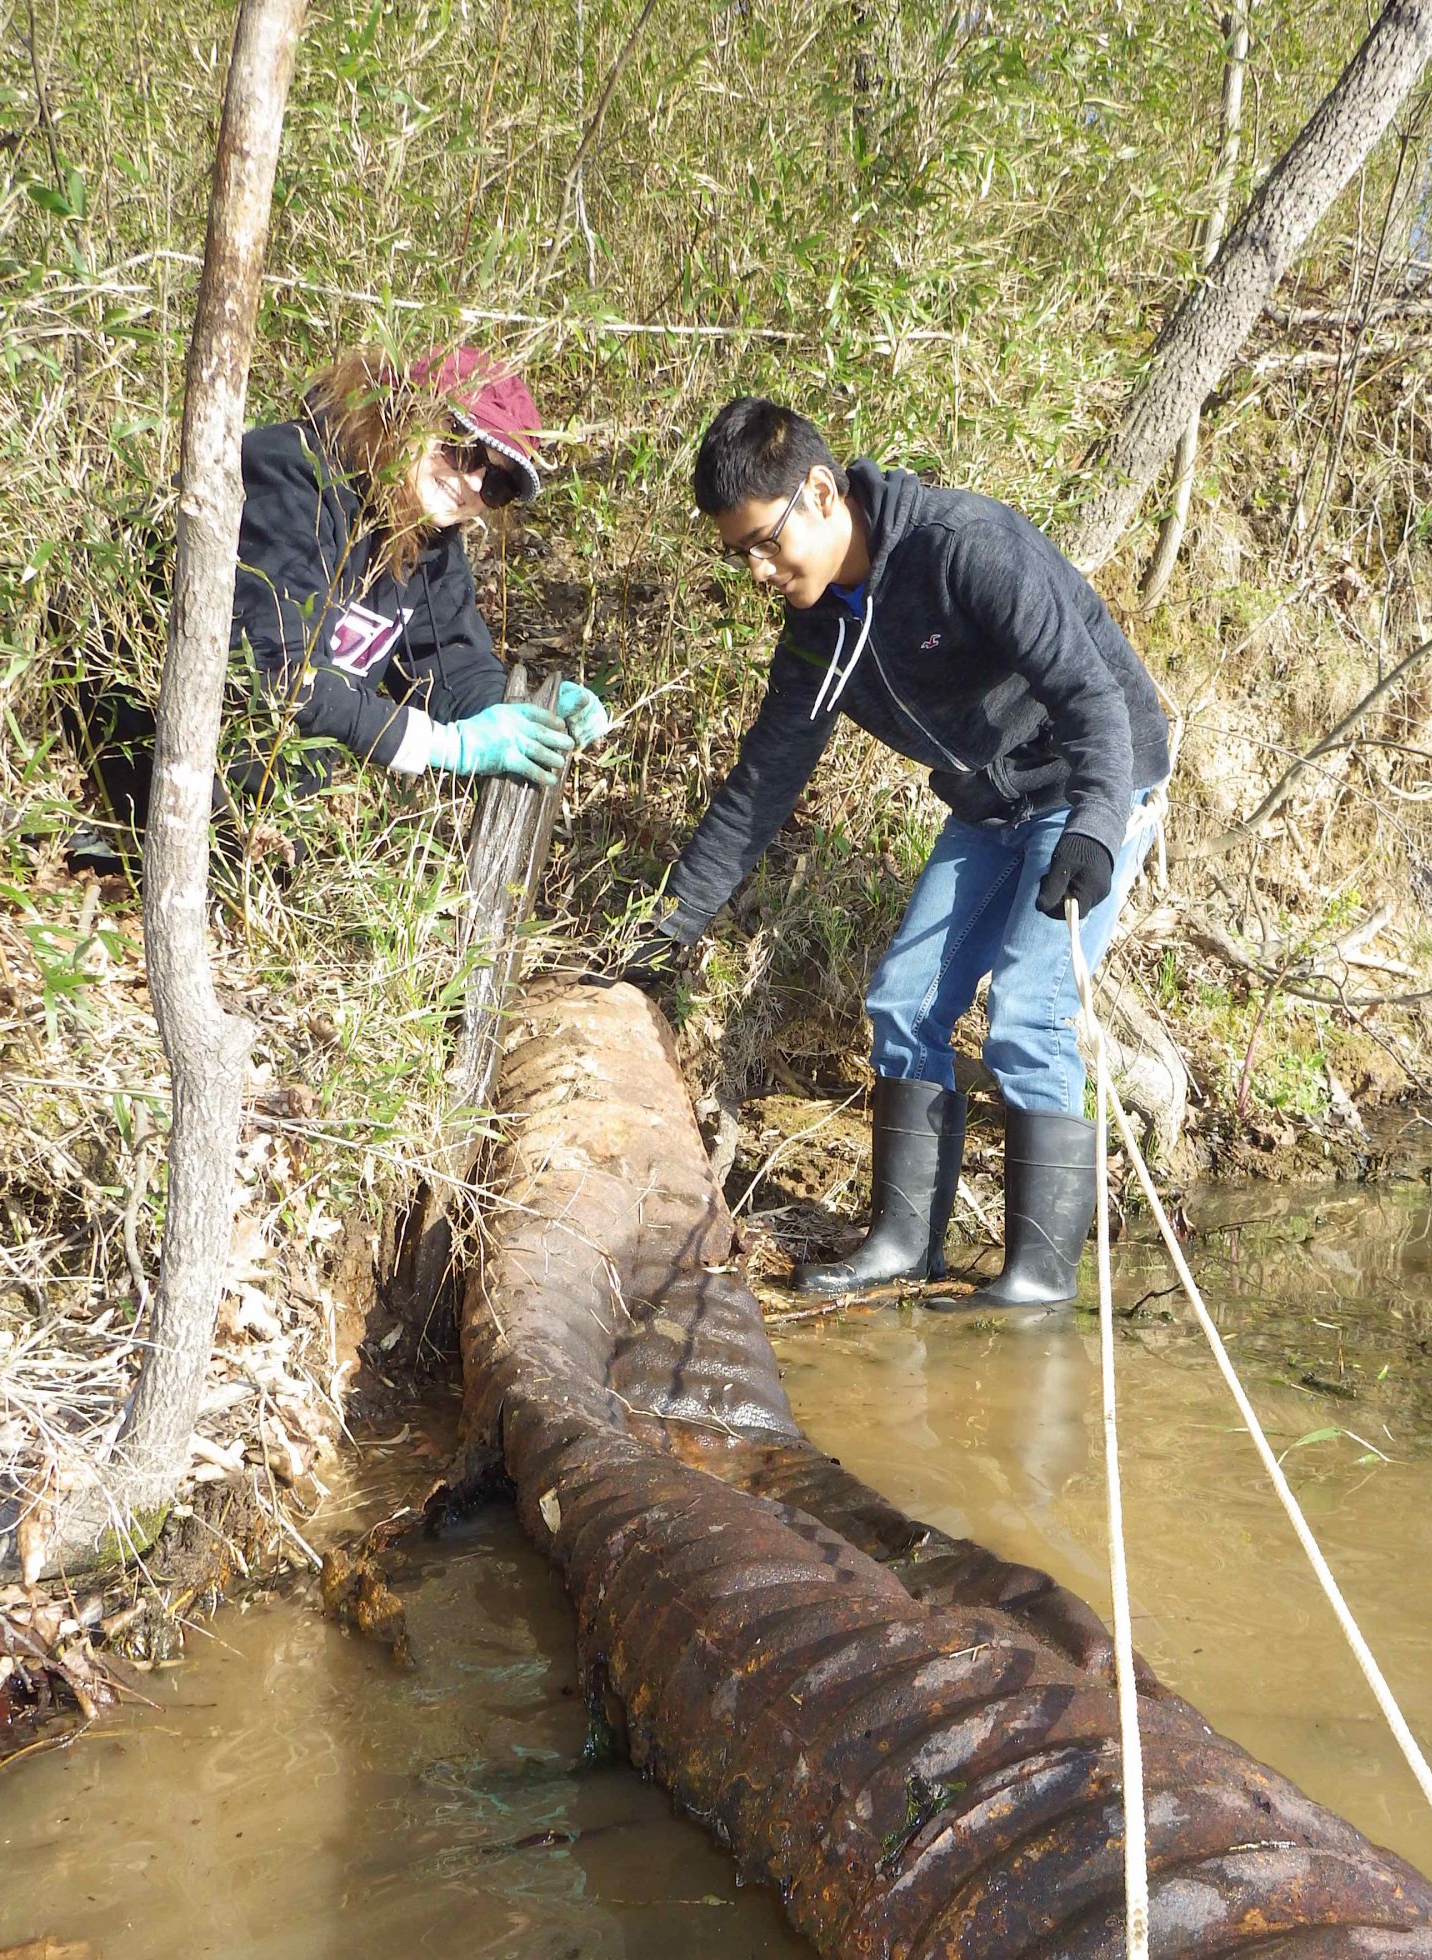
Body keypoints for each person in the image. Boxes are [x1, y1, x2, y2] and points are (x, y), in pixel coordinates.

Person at [632, 398, 1168, 1310]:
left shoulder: (965, 547)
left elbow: (1094, 698)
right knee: (905, 1003)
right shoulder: (817, 631)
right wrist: (669, 926)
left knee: (1029, 1012)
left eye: (766, 541)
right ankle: (901, 1245)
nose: (759, 569)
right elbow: (764, 784)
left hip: (1090, 784)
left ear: (818, 490)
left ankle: (1039, 1282)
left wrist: (1094, 826)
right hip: (988, 806)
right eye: (740, 555)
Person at [74, 344, 609, 849]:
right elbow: (274, 675)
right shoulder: (288, 478)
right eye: (461, 446)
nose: (471, 483)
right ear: (403, 413)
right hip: (146, 753)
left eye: (498, 486)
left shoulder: (430, 541)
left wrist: (525, 708)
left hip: (262, 797)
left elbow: (452, 664)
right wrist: (446, 748)